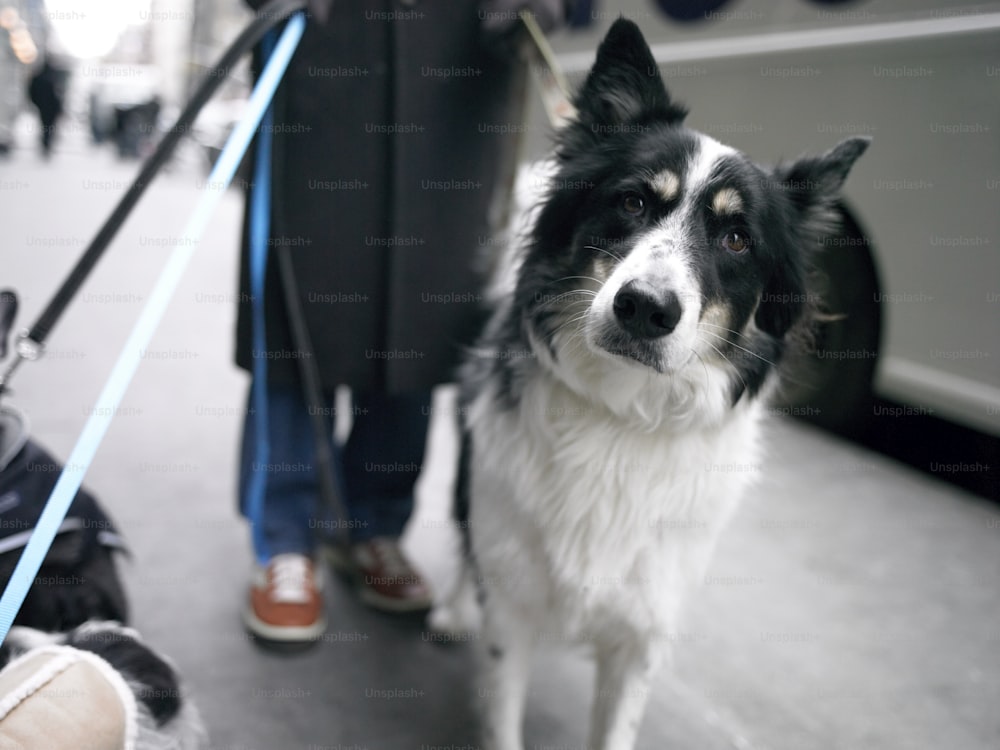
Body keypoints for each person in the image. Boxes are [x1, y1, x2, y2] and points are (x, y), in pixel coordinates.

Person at [236, 0, 572, 643]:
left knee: (423, 306)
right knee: (298, 296)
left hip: (457, 57)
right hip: (326, 45)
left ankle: (372, 524)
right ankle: (285, 538)